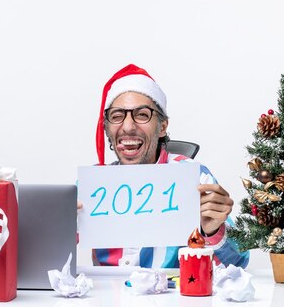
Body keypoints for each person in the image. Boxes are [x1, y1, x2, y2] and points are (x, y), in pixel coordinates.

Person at [89, 64, 249, 268]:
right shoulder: (92, 186)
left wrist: (212, 231)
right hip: (105, 296)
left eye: (142, 115)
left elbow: (238, 264)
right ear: (107, 128)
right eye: (117, 116)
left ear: (162, 126)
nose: (128, 127)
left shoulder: (196, 177)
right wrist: (62, 230)